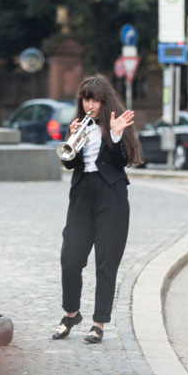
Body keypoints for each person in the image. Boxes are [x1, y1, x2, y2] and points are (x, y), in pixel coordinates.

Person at [52, 75, 143, 344]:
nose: (90, 104)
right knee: (70, 259)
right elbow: (70, 164)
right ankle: (71, 314)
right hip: (82, 195)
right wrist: (72, 138)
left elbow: (122, 161)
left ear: (104, 101)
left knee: (106, 263)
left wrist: (114, 135)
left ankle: (98, 323)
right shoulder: (82, 126)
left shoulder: (118, 125)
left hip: (111, 196)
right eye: (86, 98)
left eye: (95, 99)